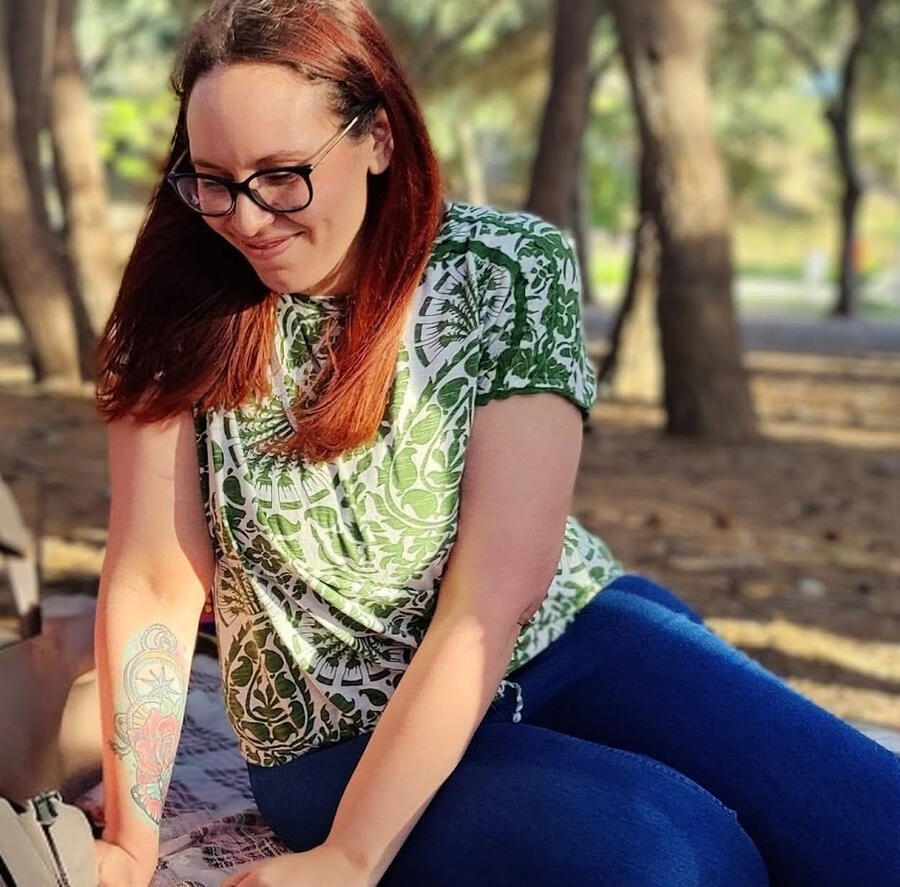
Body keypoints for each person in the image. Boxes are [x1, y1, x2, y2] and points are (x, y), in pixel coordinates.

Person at [91, 1, 900, 885]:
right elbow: (153, 581)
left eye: (282, 174)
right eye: (211, 179)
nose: (245, 219)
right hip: (337, 734)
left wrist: (357, 863)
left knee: (872, 824)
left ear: (379, 138)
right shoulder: (178, 313)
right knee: (679, 860)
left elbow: (495, 594)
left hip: (563, 636)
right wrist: (134, 838)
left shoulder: (508, 267)